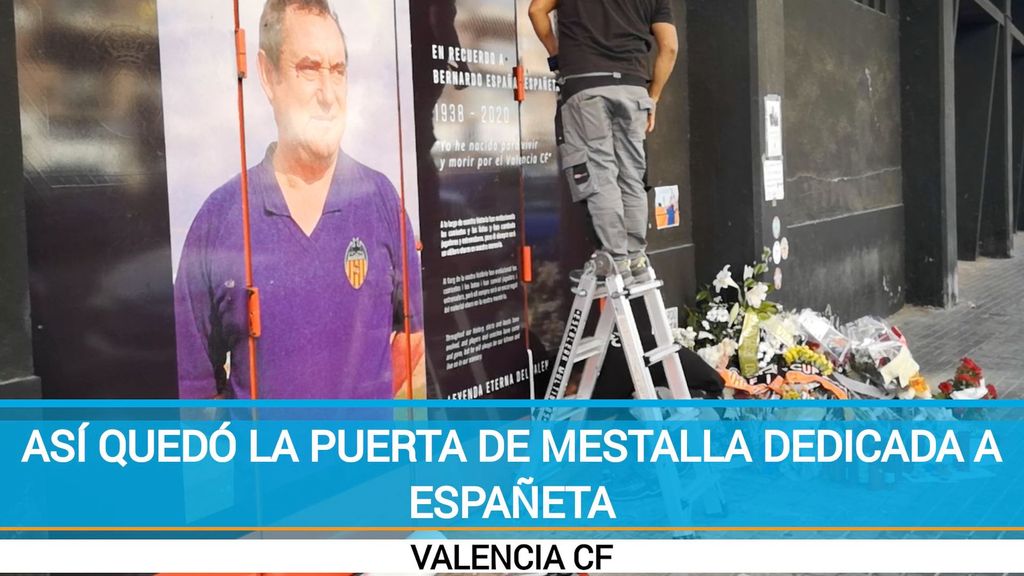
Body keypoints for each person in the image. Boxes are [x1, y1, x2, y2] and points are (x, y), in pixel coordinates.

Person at [174, 0, 424, 399]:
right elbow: (193, 382)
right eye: (309, 69)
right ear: (267, 75)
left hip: (374, 463)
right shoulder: (219, 218)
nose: (328, 94)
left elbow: (411, 334)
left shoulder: (380, 201)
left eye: (338, 71)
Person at [529, 0, 679, 280]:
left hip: (586, 84)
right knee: (632, 175)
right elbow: (669, 46)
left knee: (599, 172)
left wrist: (557, 53)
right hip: (633, 86)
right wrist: (654, 96)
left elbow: (536, 10)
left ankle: (615, 258)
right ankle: (635, 257)